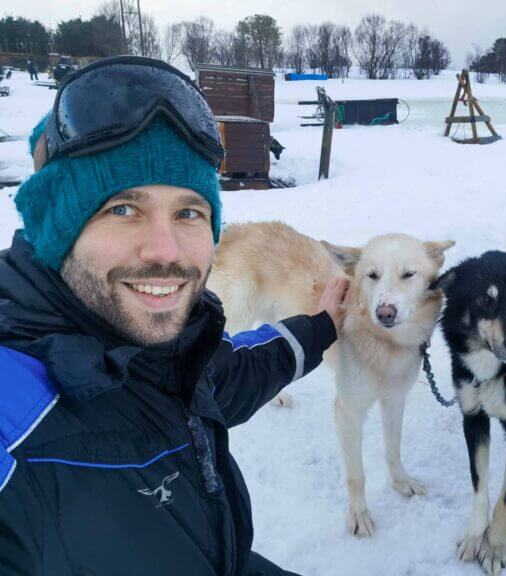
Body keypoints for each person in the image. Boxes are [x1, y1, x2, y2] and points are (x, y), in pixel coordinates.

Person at [0, 56, 348, 576]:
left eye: (189, 212)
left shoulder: (168, 355)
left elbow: (229, 374)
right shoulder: (14, 420)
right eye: (122, 209)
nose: (166, 251)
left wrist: (321, 326)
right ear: (57, 227)